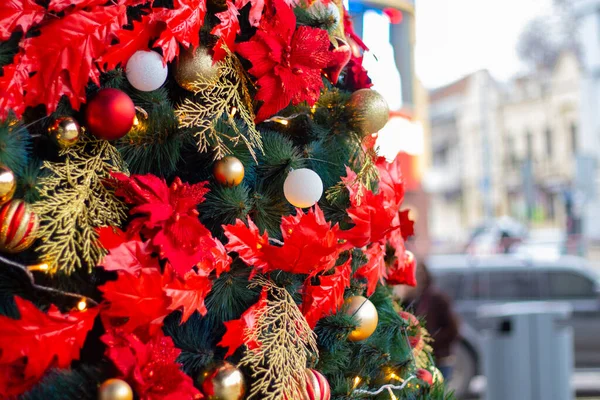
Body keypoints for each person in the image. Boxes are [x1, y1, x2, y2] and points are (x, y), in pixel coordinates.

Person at [395, 261, 459, 380]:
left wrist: (431, 341)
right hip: (418, 360)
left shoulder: (437, 298)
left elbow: (453, 329)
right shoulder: (407, 301)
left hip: (440, 359)